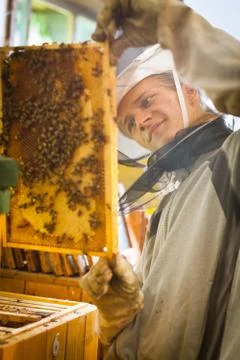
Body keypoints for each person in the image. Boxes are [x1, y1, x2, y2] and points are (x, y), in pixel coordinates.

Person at [79, 1, 240, 359]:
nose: (142, 121)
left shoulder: (233, 159)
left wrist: (176, 28)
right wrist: (120, 315)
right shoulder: (169, 202)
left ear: (189, 88)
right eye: (131, 123)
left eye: (147, 100)